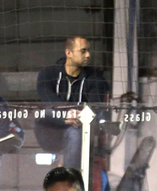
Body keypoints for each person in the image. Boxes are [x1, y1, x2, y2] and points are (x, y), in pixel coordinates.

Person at [35, 36, 110, 171]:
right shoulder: (47, 74)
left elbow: (96, 107)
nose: (88, 55)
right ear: (68, 53)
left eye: (88, 51)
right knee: (45, 112)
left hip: (79, 125)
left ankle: (70, 175)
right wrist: (66, 114)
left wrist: (78, 116)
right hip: (50, 129)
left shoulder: (96, 78)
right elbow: (48, 100)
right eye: (83, 51)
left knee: (76, 131)